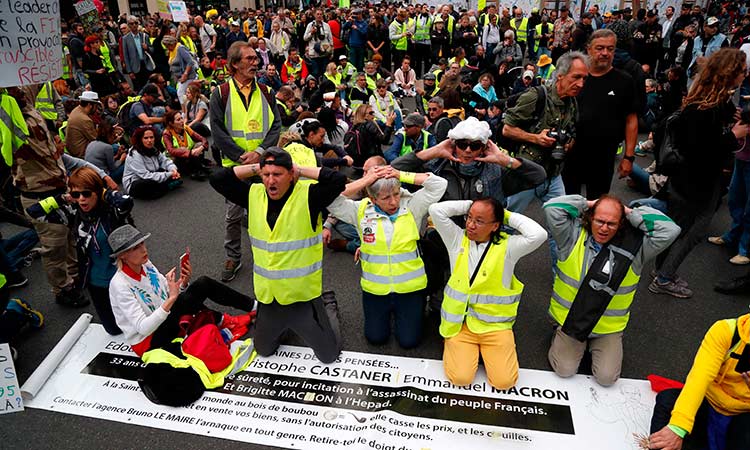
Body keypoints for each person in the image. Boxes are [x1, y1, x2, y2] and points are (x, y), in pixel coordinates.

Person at [209, 147, 346, 364]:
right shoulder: (253, 195)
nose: (271, 181)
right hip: (270, 296)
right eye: (266, 175)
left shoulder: (309, 196)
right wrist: (258, 165)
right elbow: (217, 178)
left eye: (278, 174)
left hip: (303, 297)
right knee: (264, 350)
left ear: (291, 174)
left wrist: (300, 168)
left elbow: (338, 180)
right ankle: (284, 324)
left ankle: (327, 305)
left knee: (329, 356)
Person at [544, 194, 679, 386]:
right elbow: (552, 207)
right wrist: (591, 203)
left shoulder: (637, 249)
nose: (604, 228)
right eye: (599, 220)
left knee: (606, 378)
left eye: (612, 223)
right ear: (590, 217)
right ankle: (562, 338)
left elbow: (670, 230)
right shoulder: (571, 238)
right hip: (571, 322)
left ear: (621, 224)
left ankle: (594, 346)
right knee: (564, 370)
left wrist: (629, 211)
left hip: (607, 329)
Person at [650, 48, 749, 299]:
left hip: (690, 179)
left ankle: (662, 270)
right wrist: (732, 136)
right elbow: (700, 149)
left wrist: (731, 117)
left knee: (677, 227)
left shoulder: (710, 101)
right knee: (692, 231)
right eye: (742, 70)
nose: (745, 74)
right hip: (696, 181)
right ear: (730, 73)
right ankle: (663, 277)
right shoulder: (706, 108)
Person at [429, 196, 546, 389]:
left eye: (480, 221)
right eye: (469, 218)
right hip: (460, 324)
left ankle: (479, 353)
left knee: (504, 383)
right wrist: (473, 206)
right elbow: (435, 210)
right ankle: (465, 350)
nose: (471, 225)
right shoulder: (457, 239)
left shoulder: (509, 247)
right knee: (461, 378)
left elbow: (538, 235)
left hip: (495, 327)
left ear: (495, 226)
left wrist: (504, 214)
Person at [327, 165, 447, 348]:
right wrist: (365, 180)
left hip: (410, 289)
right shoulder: (359, 211)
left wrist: (401, 174)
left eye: (396, 194)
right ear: (373, 199)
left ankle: (405, 311)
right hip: (376, 290)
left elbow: (439, 184)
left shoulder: (412, 205)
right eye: (386, 197)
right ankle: (390, 312)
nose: (394, 202)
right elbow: (329, 198)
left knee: (409, 342)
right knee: (376, 339)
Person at [108, 224, 256, 357]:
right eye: (136, 248)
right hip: (149, 342)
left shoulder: (145, 264)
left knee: (199, 286)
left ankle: (253, 307)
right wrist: (173, 298)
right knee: (191, 295)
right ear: (122, 255)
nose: (144, 249)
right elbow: (143, 328)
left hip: (164, 321)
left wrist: (182, 284)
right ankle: (225, 320)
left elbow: (166, 292)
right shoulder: (120, 285)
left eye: (142, 243)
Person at [8, 85, 89, 307]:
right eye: (13, 86)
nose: (20, 88)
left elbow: (34, 78)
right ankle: (62, 289)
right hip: (37, 194)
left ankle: (75, 277)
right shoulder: (8, 119)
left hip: (60, 188)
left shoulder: (29, 107)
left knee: (70, 237)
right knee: (54, 247)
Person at [209, 41, 281, 283]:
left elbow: (276, 127)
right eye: (249, 59)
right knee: (234, 214)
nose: (255, 62)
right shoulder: (220, 93)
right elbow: (217, 131)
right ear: (234, 64)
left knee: (269, 212)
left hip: (264, 164)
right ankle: (233, 256)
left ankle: (271, 254)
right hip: (235, 166)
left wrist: (260, 152)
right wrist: (240, 155)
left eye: (255, 58)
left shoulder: (268, 92)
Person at [648, 312, 750, 450]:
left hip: (744, 413)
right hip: (710, 401)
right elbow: (699, 377)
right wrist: (678, 428)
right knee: (667, 401)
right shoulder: (726, 330)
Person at [503, 51, 588, 214]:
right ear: (561, 75)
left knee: (561, 220)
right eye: (576, 77)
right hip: (527, 173)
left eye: (584, 78)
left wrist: (569, 142)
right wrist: (536, 138)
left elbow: (572, 130)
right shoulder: (536, 96)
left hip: (553, 174)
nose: (581, 84)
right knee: (509, 221)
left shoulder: (573, 102)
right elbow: (507, 129)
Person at [562, 30, 638, 201]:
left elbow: (631, 120)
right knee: (569, 203)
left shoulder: (625, 81)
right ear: (589, 49)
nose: (605, 53)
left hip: (603, 158)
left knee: (596, 205)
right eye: (600, 48)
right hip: (572, 155)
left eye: (610, 49)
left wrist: (629, 157)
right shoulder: (575, 77)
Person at [123, 125, 181, 199]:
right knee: (148, 183)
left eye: (151, 137)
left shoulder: (153, 149)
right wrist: (169, 174)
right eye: (146, 138)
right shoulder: (134, 155)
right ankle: (165, 186)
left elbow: (165, 161)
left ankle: (164, 185)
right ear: (140, 139)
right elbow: (145, 175)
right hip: (136, 183)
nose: (149, 140)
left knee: (172, 171)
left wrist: (173, 170)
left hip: (153, 174)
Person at [161, 110, 210, 180]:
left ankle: (197, 168)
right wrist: (190, 152)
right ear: (171, 123)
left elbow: (202, 139)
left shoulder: (186, 128)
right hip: (176, 159)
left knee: (199, 144)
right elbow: (171, 151)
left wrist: (201, 147)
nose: (182, 121)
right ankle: (194, 169)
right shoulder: (167, 134)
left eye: (181, 118)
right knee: (182, 149)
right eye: (178, 120)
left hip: (190, 155)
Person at [162, 35, 197, 105]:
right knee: (183, 94)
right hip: (179, 78)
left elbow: (190, 61)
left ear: (171, 44)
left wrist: (185, 74)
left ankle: (185, 111)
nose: (167, 48)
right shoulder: (172, 52)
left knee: (180, 93)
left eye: (167, 46)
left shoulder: (180, 49)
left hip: (188, 77)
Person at [65, 91, 100, 158]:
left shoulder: (76, 110)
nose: (96, 109)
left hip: (74, 151)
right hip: (83, 154)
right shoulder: (85, 119)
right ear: (90, 105)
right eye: (96, 106)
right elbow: (96, 140)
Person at [122, 16, 153, 91]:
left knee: (149, 86)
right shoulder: (125, 39)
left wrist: (147, 48)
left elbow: (152, 50)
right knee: (139, 89)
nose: (134, 25)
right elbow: (126, 56)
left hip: (146, 65)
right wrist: (129, 71)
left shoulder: (145, 36)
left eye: (136, 23)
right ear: (129, 25)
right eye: (132, 24)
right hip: (135, 67)